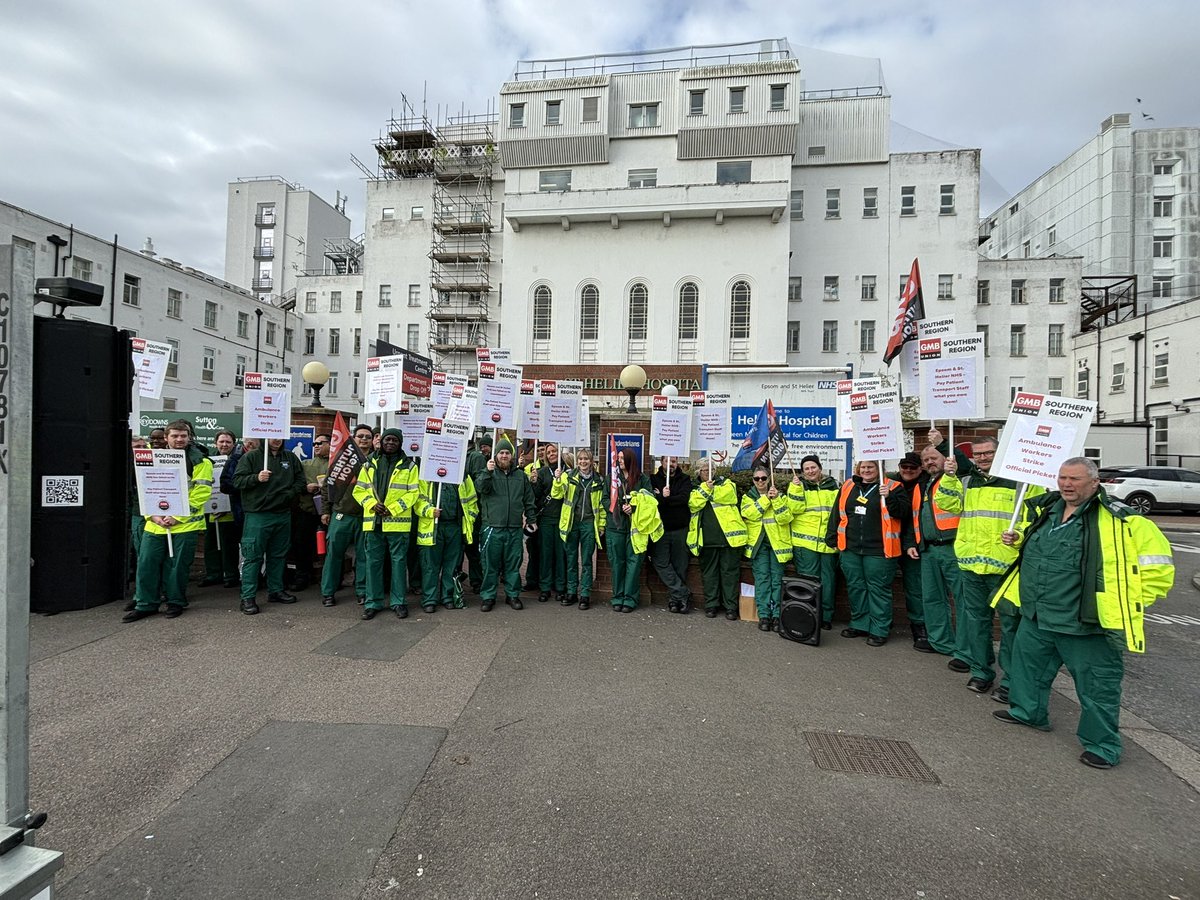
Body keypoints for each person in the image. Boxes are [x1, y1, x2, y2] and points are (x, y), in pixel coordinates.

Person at [991, 458, 1174, 769]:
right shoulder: (1046, 512)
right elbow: (1039, 553)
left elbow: (1158, 571)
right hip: (1038, 616)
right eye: (1062, 477)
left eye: (1074, 479)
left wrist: (1121, 605)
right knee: (1026, 670)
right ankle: (1027, 712)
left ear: (1094, 481)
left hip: (1085, 623)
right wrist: (1018, 540)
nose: (1066, 484)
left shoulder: (1124, 520)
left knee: (1097, 686)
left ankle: (1102, 745)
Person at [937, 435, 1043, 699]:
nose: (982, 458)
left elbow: (1039, 518)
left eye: (988, 453)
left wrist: (1018, 535)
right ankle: (981, 672)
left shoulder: (1023, 483)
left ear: (1001, 453)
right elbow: (947, 504)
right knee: (976, 622)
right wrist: (949, 477)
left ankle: (1011, 681)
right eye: (978, 454)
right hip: (972, 564)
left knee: (1011, 627)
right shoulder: (966, 481)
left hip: (1006, 566)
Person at [123, 420, 214, 622]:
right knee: (146, 564)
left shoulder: (201, 462)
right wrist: (152, 515)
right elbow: (146, 489)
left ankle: (175, 602)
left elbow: (201, 493)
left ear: (189, 437)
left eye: (183, 435)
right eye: (175, 435)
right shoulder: (152, 458)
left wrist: (176, 516)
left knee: (177, 567)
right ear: (166, 438)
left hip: (185, 524)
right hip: (154, 524)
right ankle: (146, 604)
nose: (179, 439)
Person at [824, 459, 909, 646]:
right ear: (858, 468)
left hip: (879, 549)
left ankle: (879, 629)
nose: (866, 470)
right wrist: (831, 537)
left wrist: (890, 497)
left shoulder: (893, 487)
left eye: (871, 467)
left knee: (878, 590)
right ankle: (860, 623)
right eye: (863, 467)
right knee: (855, 587)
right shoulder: (848, 485)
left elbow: (903, 512)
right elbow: (837, 513)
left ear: (879, 468)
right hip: (850, 547)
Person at [233, 437, 307, 615]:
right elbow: (237, 481)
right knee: (253, 556)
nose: (276, 440)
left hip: (282, 514)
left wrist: (289, 494)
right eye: (273, 436)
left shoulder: (290, 458)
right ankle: (248, 597)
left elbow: (300, 481)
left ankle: (276, 590)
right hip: (258, 514)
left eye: (280, 436)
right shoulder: (250, 458)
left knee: (279, 555)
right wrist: (256, 478)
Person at [353, 428, 420, 620]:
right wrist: (373, 505)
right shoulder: (368, 464)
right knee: (372, 563)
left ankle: (398, 602)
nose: (390, 443)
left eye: (395, 440)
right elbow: (359, 491)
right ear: (381, 442)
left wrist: (394, 508)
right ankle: (373, 602)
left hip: (397, 525)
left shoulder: (410, 466)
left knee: (398, 564)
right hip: (374, 523)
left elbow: (413, 493)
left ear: (400, 443)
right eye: (387, 439)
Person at [908, 444, 962, 657]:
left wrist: (942, 443)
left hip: (953, 547)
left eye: (934, 457)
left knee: (963, 600)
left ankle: (967, 649)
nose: (930, 462)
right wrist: (914, 542)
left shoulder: (957, 478)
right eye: (926, 460)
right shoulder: (926, 484)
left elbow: (964, 465)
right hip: (929, 549)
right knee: (932, 599)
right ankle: (941, 642)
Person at [474, 437, 537, 611]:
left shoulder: (520, 476)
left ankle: (512, 595)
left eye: (507, 453)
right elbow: (480, 488)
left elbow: (529, 499)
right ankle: (488, 596)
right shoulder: (487, 473)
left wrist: (531, 519)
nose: (504, 455)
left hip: (514, 528)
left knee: (513, 564)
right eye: (501, 452)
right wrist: (487, 472)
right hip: (492, 527)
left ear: (512, 456)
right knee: (490, 565)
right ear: (496, 455)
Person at [319, 424, 374, 607]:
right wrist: (326, 510)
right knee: (334, 555)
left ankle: (362, 591)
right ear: (353, 438)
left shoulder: (376, 461)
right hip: (342, 515)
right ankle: (328, 592)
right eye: (360, 436)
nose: (364, 439)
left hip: (365, 516)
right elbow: (328, 486)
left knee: (364, 556)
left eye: (368, 436)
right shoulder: (342, 459)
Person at [787, 455, 841, 630]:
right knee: (808, 582)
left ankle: (825, 616)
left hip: (828, 543)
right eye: (806, 469)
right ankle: (808, 614)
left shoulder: (834, 486)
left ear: (820, 467)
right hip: (805, 543)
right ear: (802, 472)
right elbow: (794, 509)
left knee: (828, 581)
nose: (810, 471)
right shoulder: (797, 487)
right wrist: (795, 490)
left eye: (813, 467)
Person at [688, 463, 747, 620]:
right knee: (709, 575)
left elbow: (730, 496)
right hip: (706, 539)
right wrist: (706, 489)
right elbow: (693, 504)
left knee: (730, 575)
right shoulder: (693, 487)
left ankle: (730, 607)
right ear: (699, 472)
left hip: (729, 539)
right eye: (705, 470)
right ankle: (711, 605)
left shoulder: (726, 483)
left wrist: (708, 490)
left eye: (711, 470)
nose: (709, 472)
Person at [605, 448, 662, 612]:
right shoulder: (612, 478)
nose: (619, 461)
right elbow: (604, 499)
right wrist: (617, 508)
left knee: (634, 564)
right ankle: (617, 597)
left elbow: (650, 500)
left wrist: (634, 507)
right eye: (619, 458)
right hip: (615, 527)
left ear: (630, 460)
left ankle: (629, 599)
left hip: (636, 528)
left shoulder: (642, 479)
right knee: (617, 563)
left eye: (622, 458)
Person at [414, 473, 479, 612]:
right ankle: (429, 599)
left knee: (452, 565)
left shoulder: (463, 476)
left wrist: (469, 519)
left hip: (454, 527)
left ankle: (448, 597)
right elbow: (417, 500)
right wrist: (430, 511)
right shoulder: (426, 475)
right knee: (430, 566)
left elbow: (472, 501)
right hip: (433, 526)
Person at [741, 466, 793, 633]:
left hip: (777, 545)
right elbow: (751, 514)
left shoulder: (781, 496)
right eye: (757, 479)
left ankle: (777, 615)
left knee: (777, 581)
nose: (760, 481)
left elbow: (786, 518)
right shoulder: (747, 497)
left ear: (769, 479)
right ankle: (764, 615)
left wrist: (776, 499)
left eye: (763, 478)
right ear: (753, 481)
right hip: (758, 546)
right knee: (762, 580)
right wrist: (765, 500)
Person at [552, 448, 605, 610]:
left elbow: (601, 506)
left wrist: (602, 524)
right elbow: (556, 494)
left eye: (586, 459)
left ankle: (585, 594)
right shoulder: (569, 476)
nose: (583, 462)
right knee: (571, 560)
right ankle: (571, 592)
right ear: (577, 461)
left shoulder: (598, 480)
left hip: (589, 523)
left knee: (587, 560)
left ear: (591, 461)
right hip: (572, 523)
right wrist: (558, 480)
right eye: (580, 459)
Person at [892, 451, 929, 649]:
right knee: (880, 587)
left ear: (920, 468)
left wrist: (910, 543)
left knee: (915, 588)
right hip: (887, 544)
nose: (907, 471)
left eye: (912, 468)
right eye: (904, 467)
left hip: (914, 545)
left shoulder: (926, 484)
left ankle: (920, 627)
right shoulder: (888, 482)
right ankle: (880, 624)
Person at [649, 456, 694, 613]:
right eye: (667, 461)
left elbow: (684, 499)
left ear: (678, 463)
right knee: (660, 562)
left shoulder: (685, 479)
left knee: (680, 565)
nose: (670, 465)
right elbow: (652, 501)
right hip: (661, 529)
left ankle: (676, 600)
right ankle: (682, 592)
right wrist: (661, 497)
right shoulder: (653, 479)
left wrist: (665, 498)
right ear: (662, 462)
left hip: (680, 529)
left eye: (673, 461)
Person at [289, 432, 329, 591]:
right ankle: (302, 577)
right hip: (307, 510)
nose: (316, 446)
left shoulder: (336, 464)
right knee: (302, 546)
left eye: (320, 443)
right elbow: (295, 483)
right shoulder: (305, 464)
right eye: (314, 444)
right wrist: (305, 488)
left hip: (328, 512)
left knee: (329, 547)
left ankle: (329, 579)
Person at [200, 429, 240, 589]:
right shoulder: (208, 460)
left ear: (234, 444)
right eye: (221, 441)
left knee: (228, 543)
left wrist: (227, 506)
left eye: (228, 442)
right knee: (210, 542)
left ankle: (231, 575)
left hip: (229, 508)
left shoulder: (237, 460)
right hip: (210, 506)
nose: (224, 444)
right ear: (216, 443)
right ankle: (213, 574)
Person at [532, 443, 567, 603]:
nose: (552, 454)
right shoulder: (542, 473)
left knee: (561, 554)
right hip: (546, 519)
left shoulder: (568, 471)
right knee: (545, 554)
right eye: (549, 452)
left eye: (554, 451)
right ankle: (545, 587)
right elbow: (535, 496)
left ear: (559, 452)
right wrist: (533, 482)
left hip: (563, 519)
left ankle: (560, 587)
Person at [463, 434, 493, 593]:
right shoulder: (450, 453)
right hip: (457, 510)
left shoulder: (475, 457)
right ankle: (464, 579)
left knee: (472, 547)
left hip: (469, 510)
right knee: (465, 549)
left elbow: (479, 485)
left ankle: (476, 580)